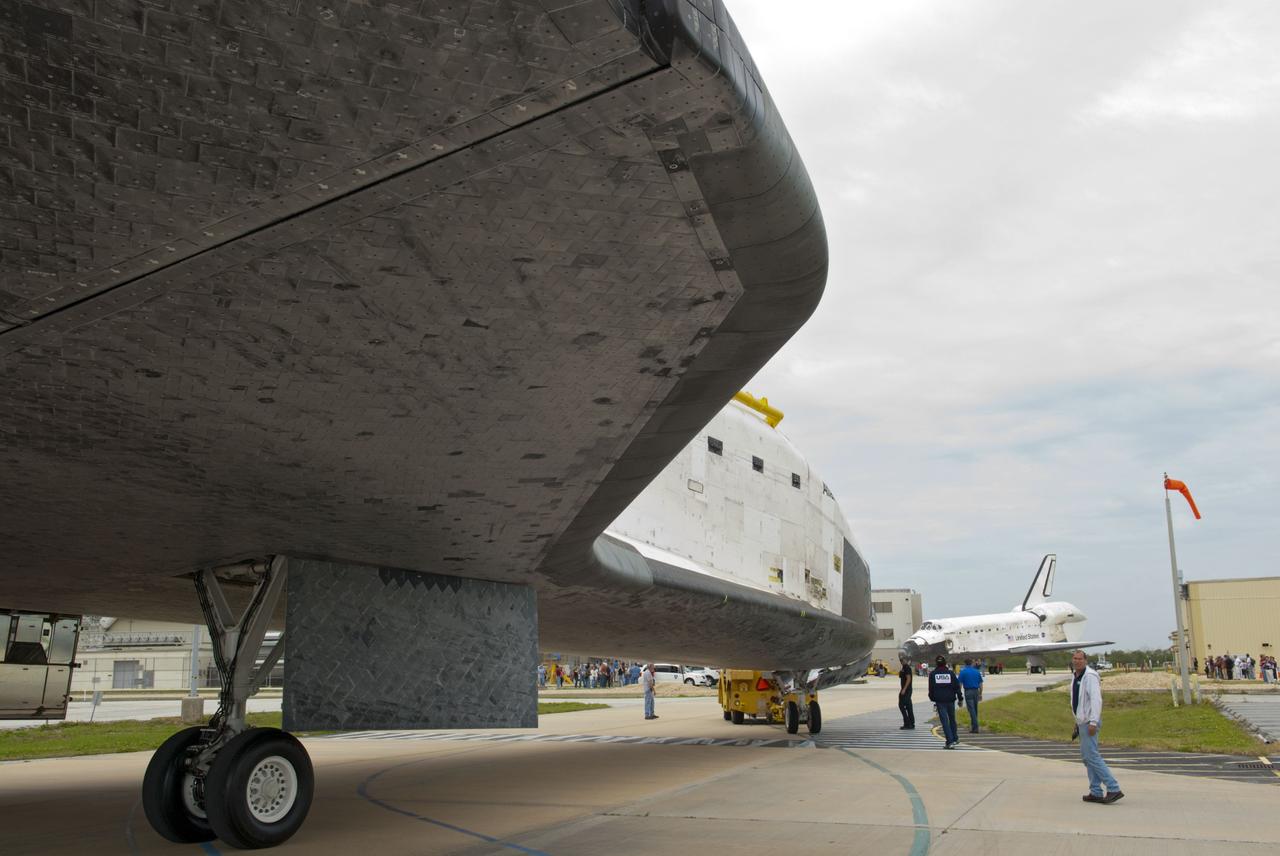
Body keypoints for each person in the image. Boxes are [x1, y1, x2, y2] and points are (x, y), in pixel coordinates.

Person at [1070, 650, 1123, 804]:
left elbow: (1096, 700)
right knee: (1088, 759)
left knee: (1092, 756)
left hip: (1089, 722)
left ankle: (1113, 788)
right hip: (1082, 722)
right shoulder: (1076, 676)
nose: (1077, 661)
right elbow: (1079, 702)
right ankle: (1095, 791)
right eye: (1075, 658)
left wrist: (1093, 721)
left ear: (1085, 660)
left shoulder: (1090, 676)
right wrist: (1077, 721)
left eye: (1080, 659)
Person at [928, 655, 962, 748]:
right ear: (945, 663)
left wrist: (932, 698)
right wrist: (960, 698)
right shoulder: (951, 674)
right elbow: (957, 687)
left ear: (936, 663)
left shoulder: (933, 674)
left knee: (944, 721)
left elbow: (931, 689)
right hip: (950, 700)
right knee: (952, 719)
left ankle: (949, 741)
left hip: (940, 701)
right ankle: (955, 738)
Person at [958, 657, 984, 733]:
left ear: (965, 664)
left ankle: (975, 727)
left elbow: (959, 685)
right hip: (976, 691)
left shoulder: (963, 672)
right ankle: (974, 727)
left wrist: (959, 696)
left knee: (971, 710)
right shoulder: (976, 672)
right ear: (972, 663)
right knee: (975, 710)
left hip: (968, 691)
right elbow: (981, 684)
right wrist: (980, 694)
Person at [898, 654, 915, 729]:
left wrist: (904, 689)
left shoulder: (907, 668)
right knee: (908, 706)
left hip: (906, 690)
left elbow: (908, 679)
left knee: (901, 705)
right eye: (900, 660)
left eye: (902, 659)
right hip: (906, 689)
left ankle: (907, 723)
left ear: (906, 660)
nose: (901, 661)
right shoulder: (903, 667)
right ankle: (911, 723)